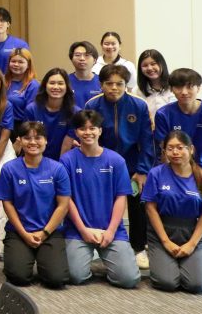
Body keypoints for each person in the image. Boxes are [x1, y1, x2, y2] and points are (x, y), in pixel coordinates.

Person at [153, 68, 202, 277]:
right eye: (178, 87)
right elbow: (164, 149)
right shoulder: (164, 113)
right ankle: (164, 248)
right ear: (172, 89)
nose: (184, 92)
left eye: (190, 86)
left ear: (198, 88)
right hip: (173, 165)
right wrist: (165, 175)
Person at [61, 110, 141, 289]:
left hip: (111, 230)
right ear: (76, 132)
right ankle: (88, 255)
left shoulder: (116, 160)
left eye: (92, 128)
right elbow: (67, 199)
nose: (88, 132)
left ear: (100, 131)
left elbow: (121, 198)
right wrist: (83, 230)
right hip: (78, 230)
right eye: (82, 128)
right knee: (74, 276)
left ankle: (107, 257)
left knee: (129, 279)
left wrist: (111, 231)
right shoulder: (67, 161)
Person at [85, 64, 154, 269]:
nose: (114, 88)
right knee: (100, 203)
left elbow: (147, 141)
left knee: (137, 206)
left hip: (132, 165)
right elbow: (89, 137)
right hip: (102, 163)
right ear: (101, 85)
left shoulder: (138, 105)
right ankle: (97, 243)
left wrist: (142, 171)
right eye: (109, 84)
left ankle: (139, 248)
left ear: (126, 85)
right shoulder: (92, 104)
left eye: (119, 84)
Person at [0, 122, 72, 288]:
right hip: (19, 232)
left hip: (50, 231)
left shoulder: (57, 169)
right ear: (20, 141)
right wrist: (24, 233)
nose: (33, 142)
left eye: (38, 138)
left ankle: (45, 261)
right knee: (18, 277)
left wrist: (44, 233)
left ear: (46, 141)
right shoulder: (9, 169)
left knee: (56, 279)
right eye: (27, 138)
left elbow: (63, 206)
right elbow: (7, 204)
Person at [143, 131, 202, 293]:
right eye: (170, 148)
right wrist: (165, 241)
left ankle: (189, 263)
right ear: (164, 152)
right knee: (167, 282)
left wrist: (191, 244)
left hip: (191, 232)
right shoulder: (156, 174)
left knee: (197, 285)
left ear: (191, 149)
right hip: (162, 232)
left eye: (180, 147)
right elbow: (150, 208)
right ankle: (163, 260)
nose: (175, 152)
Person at [24, 68, 77, 160]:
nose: (56, 87)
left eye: (60, 83)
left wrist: (60, 166)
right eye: (52, 83)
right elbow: (30, 140)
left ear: (67, 87)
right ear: (45, 86)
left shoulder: (74, 112)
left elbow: (67, 143)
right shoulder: (31, 109)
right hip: (36, 158)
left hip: (62, 159)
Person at [5, 48, 40, 134]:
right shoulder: (3, 80)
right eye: (13, 61)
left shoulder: (33, 85)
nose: (16, 64)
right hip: (2, 125)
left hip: (21, 127)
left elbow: (31, 113)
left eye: (21, 62)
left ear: (28, 65)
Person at [138, 49, 176, 117]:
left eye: (153, 64)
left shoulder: (175, 85)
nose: (149, 68)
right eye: (145, 65)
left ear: (162, 64)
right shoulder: (137, 91)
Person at [68, 41, 102, 107]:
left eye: (87, 55)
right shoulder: (65, 81)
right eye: (77, 55)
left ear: (95, 60)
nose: (82, 58)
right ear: (71, 59)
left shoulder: (102, 81)